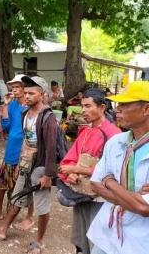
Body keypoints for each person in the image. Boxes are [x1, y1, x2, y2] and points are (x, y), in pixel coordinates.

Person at [0, 75, 57, 254]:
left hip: (41, 167)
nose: (27, 96)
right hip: (25, 163)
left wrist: (48, 175)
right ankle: (2, 230)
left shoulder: (48, 118)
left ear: (41, 95)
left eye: (32, 93)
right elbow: (25, 140)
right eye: (26, 93)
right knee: (17, 197)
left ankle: (39, 241)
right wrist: (20, 162)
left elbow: (51, 148)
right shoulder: (25, 114)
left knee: (41, 205)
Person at [86, 81, 149, 254]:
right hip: (107, 233)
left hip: (140, 242)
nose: (116, 109)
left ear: (146, 109)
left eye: (124, 105)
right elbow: (95, 183)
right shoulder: (117, 142)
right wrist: (133, 199)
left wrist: (110, 181)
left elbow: (145, 208)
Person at [58, 89, 121, 254]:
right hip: (81, 193)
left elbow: (113, 171)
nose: (84, 110)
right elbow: (70, 159)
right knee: (81, 236)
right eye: (82, 106)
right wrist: (70, 173)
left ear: (101, 107)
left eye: (88, 106)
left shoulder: (114, 135)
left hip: (101, 198)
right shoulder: (85, 131)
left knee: (97, 239)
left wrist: (77, 169)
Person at [0, 74, 34, 230]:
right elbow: (5, 125)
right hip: (11, 150)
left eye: (18, 87)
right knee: (1, 182)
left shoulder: (32, 107)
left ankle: (30, 217)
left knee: (27, 185)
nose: (15, 90)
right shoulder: (12, 105)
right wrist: (5, 104)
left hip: (25, 152)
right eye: (14, 87)